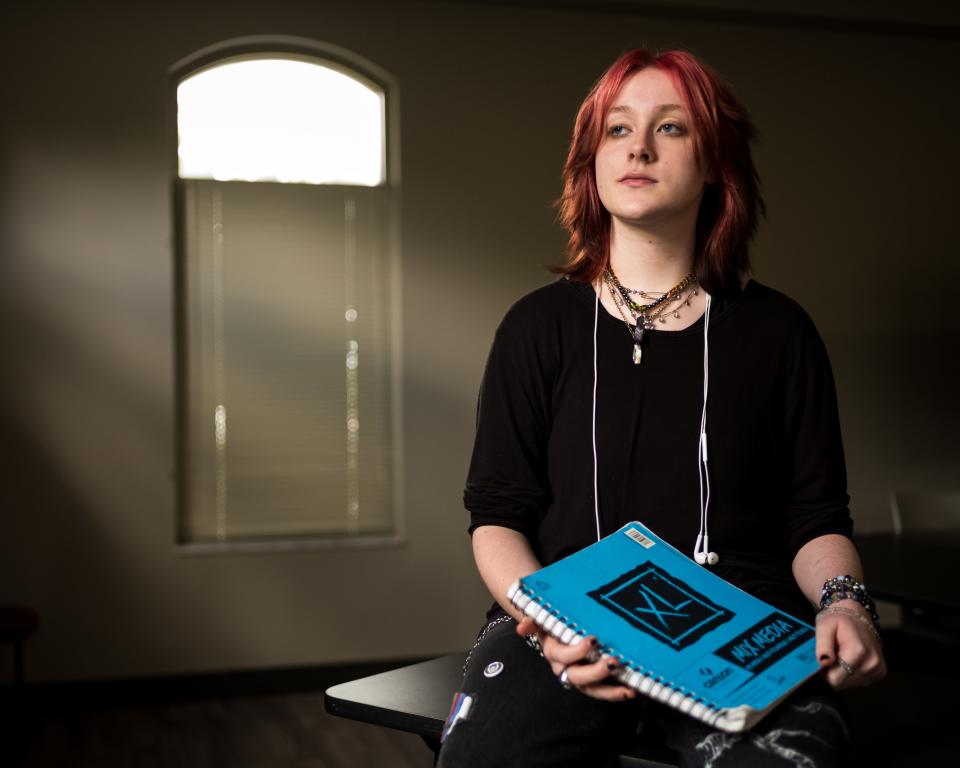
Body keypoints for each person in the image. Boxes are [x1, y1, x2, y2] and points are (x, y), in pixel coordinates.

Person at [437, 49, 886, 767]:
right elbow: (497, 512)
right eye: (618, 130)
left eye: (670, 128)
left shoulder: (780, 332)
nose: (639, 146)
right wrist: (547, 620)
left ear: (715, 164)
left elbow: (816, 518)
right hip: (564, 624)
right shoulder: (536, 327)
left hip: (741, 624)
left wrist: (844, 604)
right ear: (592, 162)